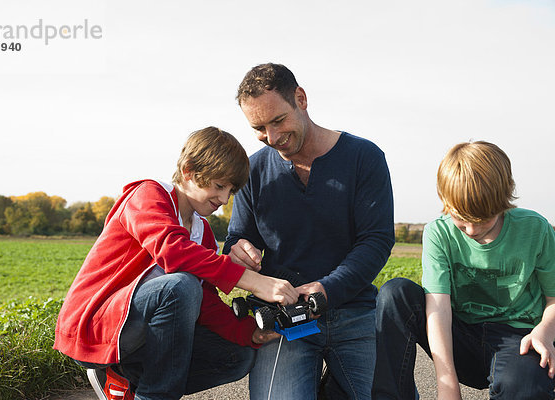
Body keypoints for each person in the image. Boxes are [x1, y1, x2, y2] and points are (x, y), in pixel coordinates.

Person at [54, 126, 299, 400]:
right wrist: (252, 280)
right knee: (180, 285)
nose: (223, 199)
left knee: (238, 357)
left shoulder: (202, 232)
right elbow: (172, 251)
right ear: (189, 172)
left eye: (231, 191)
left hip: (142, 340)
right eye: (219, 186)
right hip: (97, 326)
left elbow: (203, 301)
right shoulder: (147, 195)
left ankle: (126, 384)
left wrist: (248, 333)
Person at [223, 63, 395, 400]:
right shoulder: (252, 170)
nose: (271, 138)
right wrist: (238, 250)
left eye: (277, 121)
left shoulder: (365, 157)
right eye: (259, 128)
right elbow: (237, 237)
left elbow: (376, 240)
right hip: (284, 322)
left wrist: (327, 289)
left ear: (300, 99)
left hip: (355, 312)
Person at [372, 141, 555, 400]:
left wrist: (545, 332)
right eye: (461, 219)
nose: (471, 230)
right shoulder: (438, 232)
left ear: (503, 201)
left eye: (482, 221)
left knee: (523, 388)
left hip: (517, 338)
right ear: (445, 202)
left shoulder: (535, 229)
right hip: (461, 335)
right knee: (394, 293)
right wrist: (447, 385)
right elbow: (438, 308)